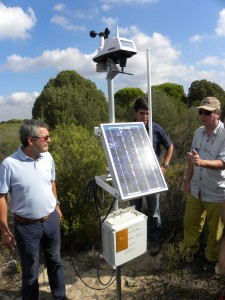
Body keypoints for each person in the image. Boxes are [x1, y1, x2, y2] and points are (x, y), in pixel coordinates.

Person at [0, 119, 67, 300]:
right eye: (45, 137)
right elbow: (1, 197)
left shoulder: (48, 157)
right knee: (30, 271)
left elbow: (51, 182)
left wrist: (57, 206)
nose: (49, 140)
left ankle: (59, 296)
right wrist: (4, 230)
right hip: (27, 227)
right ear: (31, 140)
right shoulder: (9, 164)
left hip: (51, 221)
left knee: (55, 262)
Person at [184, 96, 225, 272]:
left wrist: (201, 162)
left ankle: (210, 259)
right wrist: (187, 180)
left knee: (215, 230)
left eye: (207, 112)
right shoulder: (198, 132)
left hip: (216, 191)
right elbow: (193, 160)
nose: (202, 115)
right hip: (197, 188)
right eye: (201, 112)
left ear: (218, 114)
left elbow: (223, 163)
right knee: (190, 221)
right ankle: (190, 253)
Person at [130, 97, 174, 255]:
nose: (145, 117)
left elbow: (170, 146)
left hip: (152, 178)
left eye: (148, 113)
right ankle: (134, 244)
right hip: (134, 179)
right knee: (134, 212)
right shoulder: (127, 129)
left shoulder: (155, 128)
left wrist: (165, 165)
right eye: (142, 113)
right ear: (136, 112)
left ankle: (154, 242)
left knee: (154, 212)